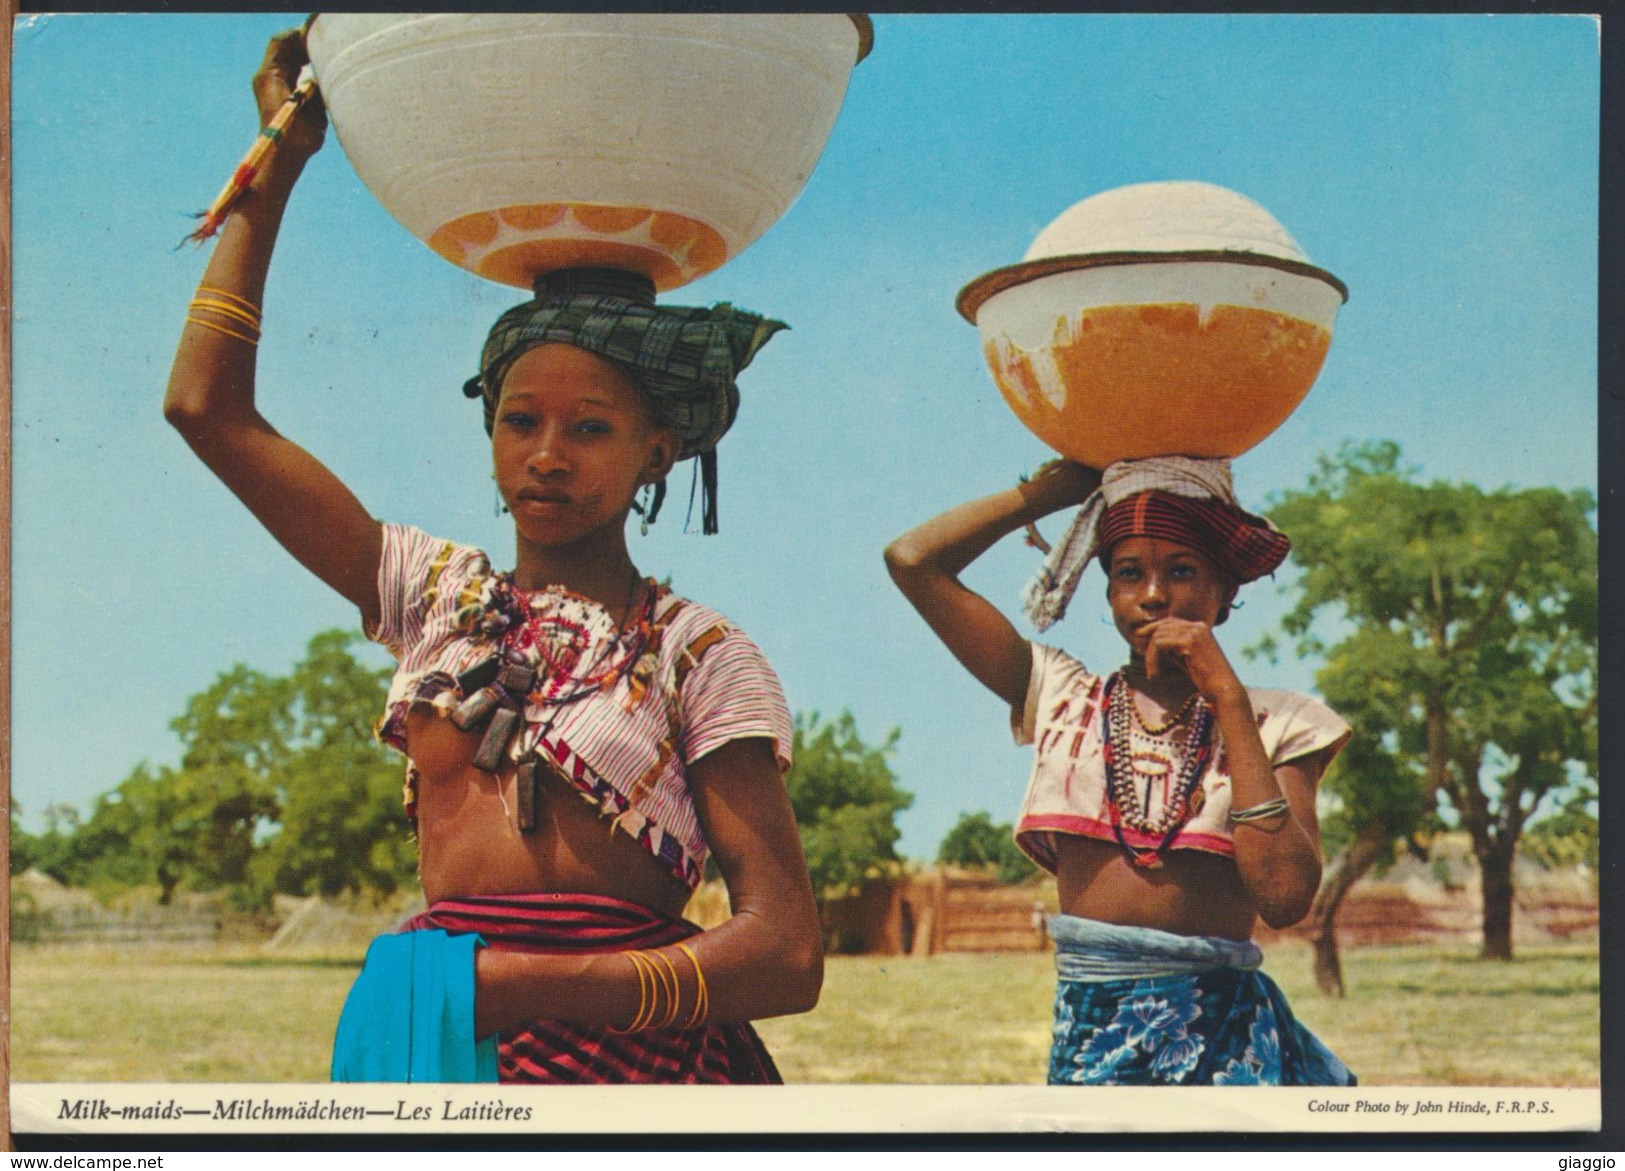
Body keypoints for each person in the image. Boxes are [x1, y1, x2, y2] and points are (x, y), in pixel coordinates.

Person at [165, 29, 822, 1084]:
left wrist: (527, 987)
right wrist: (275, 166)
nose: (548, 456)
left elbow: (786, 952)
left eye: (592, 429)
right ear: (489, 433)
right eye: (521, 420)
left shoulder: (699, 654)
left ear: (659, 448)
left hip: (630, 1069)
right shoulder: (431, 595)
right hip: (431, 1038)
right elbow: (206, 410)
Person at [885, 455, 1354, 1085]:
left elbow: (1285, 898)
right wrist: (1049, 492)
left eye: (1182, 571)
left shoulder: (1281, 724)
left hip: (1227, 1048)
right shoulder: (1058, 695)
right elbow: (913, 561)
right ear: (1107, 594)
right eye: (1129, 574)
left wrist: (1229, 702)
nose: (1153, 594)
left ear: (1227, 591)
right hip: (1091, 1039)